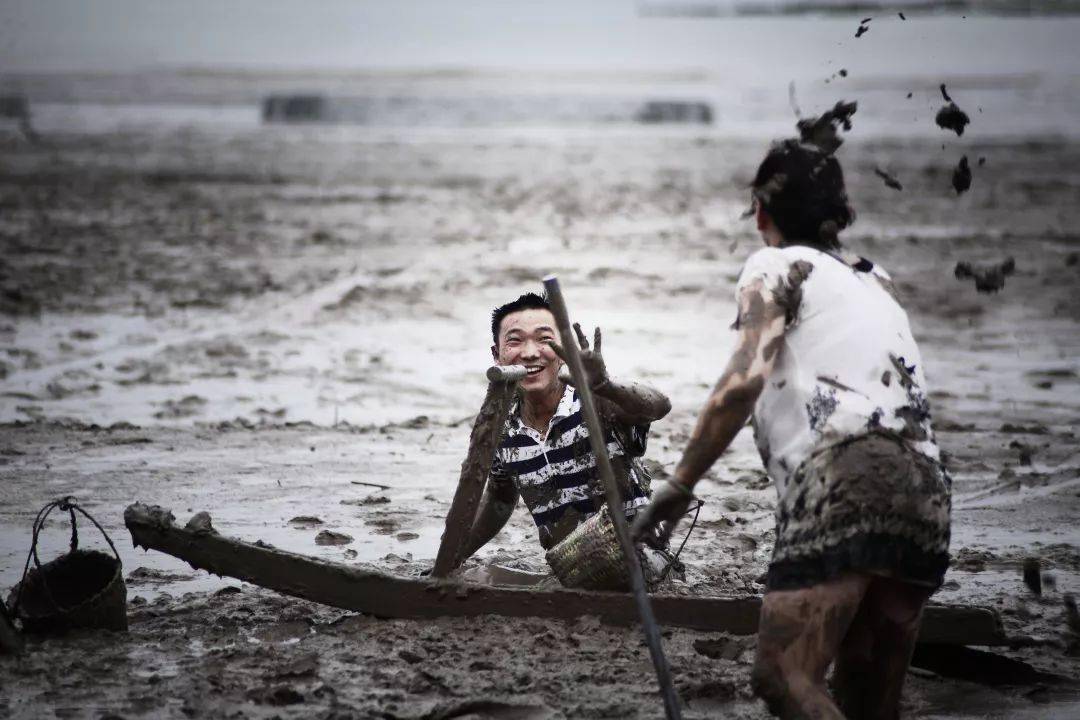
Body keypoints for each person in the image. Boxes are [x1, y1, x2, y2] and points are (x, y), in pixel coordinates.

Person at [631, 139, 951, 719]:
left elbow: (741, 383)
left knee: (784, 675)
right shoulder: (875, 280)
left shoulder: (776, 265)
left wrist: (678, 486)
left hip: (842, 479)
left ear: (761, 212)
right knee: (869, 703)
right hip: (925, 491)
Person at [458, 292, 674, 581]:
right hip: (570, 571)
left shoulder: (597, 400)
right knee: (482, 577)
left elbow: (659, 405)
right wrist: (452, 557)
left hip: (642, 563)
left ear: (564, 351)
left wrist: (606, 385)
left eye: (544, 339)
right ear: (497, 355)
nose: (531, 353)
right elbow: (500, 500)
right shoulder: (502, 428)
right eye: (515, 340)